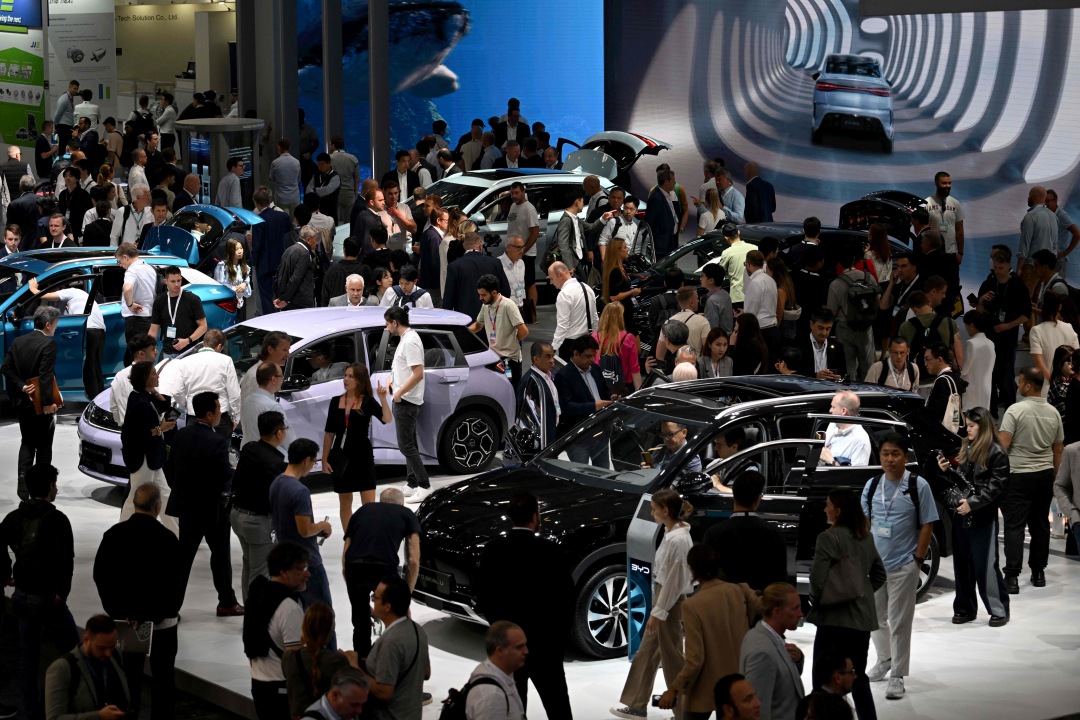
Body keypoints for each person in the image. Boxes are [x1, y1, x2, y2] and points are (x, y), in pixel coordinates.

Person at [475, 493, 574, 719]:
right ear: (535, 516)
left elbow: (484, 599)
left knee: (514, 711)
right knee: (558, 706)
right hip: (546, 645)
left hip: (508, 649)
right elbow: (568, 598)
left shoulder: (493, 549)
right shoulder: (550, 550)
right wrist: (559, 639)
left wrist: (501, 632)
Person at [859, 433, 938, 700]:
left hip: (905, 565)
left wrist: (917, 560)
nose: (889, 459)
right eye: (885, 454)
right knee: (875, 619)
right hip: (875, 568)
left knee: (900, 621)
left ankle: (897, 675)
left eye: (895, 454)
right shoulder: (871, 485)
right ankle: (885, 659)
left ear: (905, 457)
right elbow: (866, 525)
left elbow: (927, 524)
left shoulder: (918, 485)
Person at [93, 484, 182, 720]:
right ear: (158, 506)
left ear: (134, 503)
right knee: (163, 679)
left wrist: (120, 612)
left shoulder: (114, 535)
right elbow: (173, 584)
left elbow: (102, 577)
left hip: (128, 622)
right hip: (162, 623)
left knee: (128, 679)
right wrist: (155, 613)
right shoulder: (167, 539)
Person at [0, 464, 77, 720]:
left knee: (27, 656)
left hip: (21, 596)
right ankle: (68, 706)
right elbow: (66, 560)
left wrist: (7, 575)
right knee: (75, 652)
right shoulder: (57, 519)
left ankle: (32, 711)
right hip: (47, 598)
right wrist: (62, 592)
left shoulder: (13, 517)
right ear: (51, 487)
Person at [611, 489, 692, 720]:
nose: (652, 513)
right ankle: (637, 705)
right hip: (664, 602)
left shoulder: (678, 540)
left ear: (666, 511)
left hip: (669, 604)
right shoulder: (672, 533)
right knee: (646, 655)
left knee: (674, 659)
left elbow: (674, 583)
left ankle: (685, 712)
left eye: (654, 510)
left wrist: (658, 613)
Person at [655, 545, 761, 719]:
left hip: (704, 688)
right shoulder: (739, 591)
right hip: (738, 682)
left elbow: (695, 660)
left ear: (692, 569)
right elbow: (764, 604)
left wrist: (674, 689)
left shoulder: (692, 606)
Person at [808, 487, 886, 720]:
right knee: (858, 678)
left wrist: (818, 598)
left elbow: (817, 579)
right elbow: (880, 574)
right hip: (861, 622)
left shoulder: (828, 538)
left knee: (822, 680)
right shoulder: (866, 537)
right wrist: (859, 592)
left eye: (828, 505)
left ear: (838, 511)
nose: (825, 508)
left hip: (832, 620)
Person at [167, 391, 244, 615]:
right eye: (219, 410)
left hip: (187, 507)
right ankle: (227, 603)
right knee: (220, 557)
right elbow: (223, 475)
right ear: (210, 414)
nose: (221, 413)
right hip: (213, 509)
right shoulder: (217, 441)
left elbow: (171, 470)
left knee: (183, 559)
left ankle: (171, 608)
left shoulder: (180, 436)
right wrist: (232, 472)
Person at [935, 408, 1011, 627]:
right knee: (962, 564)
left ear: (983, 426)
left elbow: (996, 488)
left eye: (971, 425)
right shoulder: (967, 447)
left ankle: (999, 610)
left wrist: (973, 504)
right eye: (966, 425)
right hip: (962, 513)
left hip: (983, 517)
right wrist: (947, 471)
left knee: (985, 565)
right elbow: (964, 483)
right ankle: (965, 608)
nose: (966, 429)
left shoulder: (997, 452)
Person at [999, 366, 1064, 593]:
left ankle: (1012, 578)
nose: (1018, 386)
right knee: (1040, 525)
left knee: (1014, 526)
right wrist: (1056, 478)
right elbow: (1058, 450)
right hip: (1044, 475)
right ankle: (1038, 573)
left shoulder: (1014, 411)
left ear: (1028, 385)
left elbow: (1003, 446)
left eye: (1020, 382)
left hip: (1018, 475)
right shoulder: (1053, 412)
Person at [322, 362, 391, 530]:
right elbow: (329, 433)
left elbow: (387, 419)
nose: (346, 379)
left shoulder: (367, 402)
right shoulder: (335, 402)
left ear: (359, 380)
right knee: (345, 502)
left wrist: (383, 399)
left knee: (368, 504)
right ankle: (349, 537)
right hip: (340, 456)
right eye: (345, 375)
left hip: (362, 457)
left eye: (350, 376)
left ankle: (367, 536)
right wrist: (324, 459)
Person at [244, 542, 309, 720]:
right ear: (284, 571)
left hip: (259, 684)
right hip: (282, 692)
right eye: (302, 569)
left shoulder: (257, 594)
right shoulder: (289, 608)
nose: (307, 574)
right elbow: (295, 661)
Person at [1, 307, 59, 498]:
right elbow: (45, 377)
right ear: (48, 324)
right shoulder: (49, 344)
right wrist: (46, 404)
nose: (56, 329)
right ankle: (42, 489)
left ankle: (23, 479)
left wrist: (22, 387)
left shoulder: (18, 341)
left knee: (27, 442)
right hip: (40, 405)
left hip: (22, 402)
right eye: (56, 325)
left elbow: (5, 368)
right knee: (43, 446)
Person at [232, 411, 289, 603]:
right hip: (257, 522)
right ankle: (256, 618)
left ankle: (250, 611)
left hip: (237, 515)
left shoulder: (249, 448)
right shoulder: (276, 463)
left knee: (249, 564)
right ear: (279, 433)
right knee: (259, 572)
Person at [360, 575, 431, 720]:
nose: (372, 601)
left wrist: (354, 668)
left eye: (375, 597)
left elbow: (384, 692)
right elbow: (426, 672)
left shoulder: (391, 641)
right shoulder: (418, 630)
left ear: (387, 606)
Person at [703, 471, 788, 591]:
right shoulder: (774, 532)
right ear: (758, 498)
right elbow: (780, 578)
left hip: (727, 603)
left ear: (734, 495)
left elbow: (708, 578)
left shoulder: (714, 533)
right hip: (763, 603)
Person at [383, 306, 432, 504]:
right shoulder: (406, 339)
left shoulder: (411, 341)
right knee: (409, 443)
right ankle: (412, 484)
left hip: (407, 400)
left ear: (395, 322)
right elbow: (401, 367)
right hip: (403, 398)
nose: (386, 329)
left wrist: (399, 392)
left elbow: (418, 374)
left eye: (387, 324)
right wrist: (390, 380)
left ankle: (425, 486)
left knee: (406, 446)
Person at [737, 583, 806, 720]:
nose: (801, 614)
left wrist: (798, 660)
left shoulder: (766, 635)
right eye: (795, 608)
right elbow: (757, 711)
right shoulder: (762, 653)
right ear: (777, 612)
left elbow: (782, 681)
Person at [976, 245, 1031, 414]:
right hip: (990, 337)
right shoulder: (989, 283)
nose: (998, 271)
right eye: (996, 267)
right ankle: (991, 411)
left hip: (1008, 340)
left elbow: (1026, 315)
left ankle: (1010, 412)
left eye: (1001, 268)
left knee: (1006, 378)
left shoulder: (1017, 285)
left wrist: (1007, 325)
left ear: (1008, 266)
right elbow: (980, 311)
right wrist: (980, 302)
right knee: (989, 377)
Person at [44, 615, 132, 720]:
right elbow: (54, 718)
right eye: (102, 648)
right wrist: (98, 716)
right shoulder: (62, 669)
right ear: (86, 639)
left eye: (112, 646)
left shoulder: (116, 654)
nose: (108, 654)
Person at [281, 604, 355, 718]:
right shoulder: (338, 661)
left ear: (304, 627)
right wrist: (354, 663)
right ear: (329, 631)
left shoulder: (289, 658)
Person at [168, 328, 242, 439]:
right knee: (219, 454)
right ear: (219, 346)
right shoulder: (226, 361)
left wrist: (188, 406)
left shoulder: (184, 362)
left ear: (204, 343)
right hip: (219, 418)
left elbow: (176, 391)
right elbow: (235, 394)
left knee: (196, 454)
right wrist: (235, 418)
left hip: (195, 416)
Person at [828, 243, 879, 382]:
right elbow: (876, 301)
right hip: (865, 327)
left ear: (839, 261)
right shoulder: (869, 278)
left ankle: (849, 397)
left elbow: (832, 311)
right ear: (854, 259)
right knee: (867, 367)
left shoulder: (835, 284)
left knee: (848, 367)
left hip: (844, 328)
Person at [461, 622, 529, 720]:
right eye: (519, 647)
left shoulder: (502, 672)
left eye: (525, 645)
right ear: (500, 651)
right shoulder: (492, 696)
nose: (526, 651)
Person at [555, 334, 615, 439]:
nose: (592, 359)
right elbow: (567, 407)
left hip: (601, 428)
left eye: (594, 355)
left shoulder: (595, 369)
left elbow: (604, 391)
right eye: (588, 356)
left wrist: (611, 397)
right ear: (576, 354)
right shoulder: (563, 376)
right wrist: (594, 406)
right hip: (579, 434)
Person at [442, 232, 510, 317]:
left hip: (465, 319)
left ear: (464, 246)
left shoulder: (454, 266)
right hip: (492, 318)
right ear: (480, 246)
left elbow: (448, 299)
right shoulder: (495, 263)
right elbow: (506, 292)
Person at [148, 265, 207, 359]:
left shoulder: (192, 299)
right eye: (173, 281)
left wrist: (188, 340)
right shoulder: (160, 301)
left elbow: (203, 326)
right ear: (165, 281)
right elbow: (153, 329)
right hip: (168, 350)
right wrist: (150, 348)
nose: (176, 284)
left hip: (189, 350)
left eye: (178, 281)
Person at [549, 260, 599, 362]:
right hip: (589, 341)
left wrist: (553, 349)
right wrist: (595, 339)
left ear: (561, 275)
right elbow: (595, 318)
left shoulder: (564, 294)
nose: (551, 282)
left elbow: (563, 325)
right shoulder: (587, 288)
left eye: (551, 278)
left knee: (570, 376)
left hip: (571, 346)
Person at [115, 242, 157, 364]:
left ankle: (133, 383)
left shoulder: (132, 271)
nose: (120, 265)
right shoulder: (150, 268)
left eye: (119, 261)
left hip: (136, 321)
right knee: (145, 358)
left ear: (126, 257)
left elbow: (127, 288)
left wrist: (129, 305)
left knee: (134, 361)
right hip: (150, 320)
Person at [241, 331, 293, 428]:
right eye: (284, 350)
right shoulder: (255, 376)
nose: (288, 354)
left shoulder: (267, 373)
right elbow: (253, 416)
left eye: (288, 350)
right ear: (270, 349)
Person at [1030, 292, 1079, 392]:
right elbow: (1076, 358)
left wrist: (1054, 381)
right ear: (1060, 307)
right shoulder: (1069, 328)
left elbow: (1040, 363)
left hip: (1046, 387)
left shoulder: (1036, 330)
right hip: (1069, 386)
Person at [593, 301, 642, 393]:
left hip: (600, 385)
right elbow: (634, 368)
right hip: (623, 386)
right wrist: (640, 391)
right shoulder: (628, 338)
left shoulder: (595, 337)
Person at [820, 391, 872, 468]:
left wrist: (831, 461)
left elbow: (856, 476)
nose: (830, 410)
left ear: (843, 411)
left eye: (833, 407)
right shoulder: (833, 423)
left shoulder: (861, 441)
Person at [744, 250, 781, 357]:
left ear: (748, 264)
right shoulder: (771, 280)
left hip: (761, 333)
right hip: (774, 330)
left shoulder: (755, 283)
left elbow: (750, 316)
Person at [659, 285, 711, 361]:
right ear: (691, 302)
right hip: (694, 366)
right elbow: (708, 350)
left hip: (675, 367)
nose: (698, 301)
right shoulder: (702, 321)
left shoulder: (668, 322)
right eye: (697, 298)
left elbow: (659, 355)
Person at [1017, 186, 1059, 279]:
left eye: (1029, 195)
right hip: (1046, 269)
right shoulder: (1054, 216)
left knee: (1026, 293)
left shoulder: (1031, 216)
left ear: (1034, 196)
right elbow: (1055, 245)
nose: (1028, 198)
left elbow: (1025, 245)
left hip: (1031, 266)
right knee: (1039, 294)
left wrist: (1019, 268)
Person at [295, 668, 369, 720]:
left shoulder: (344, 713)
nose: (359, 711)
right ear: (335, 695)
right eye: (354, 705)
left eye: (362, 704)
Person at [274, 225, 318, 310]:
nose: (317, 242)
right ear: (308, 239)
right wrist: (285, 298)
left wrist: (282, 296)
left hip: (290, 300)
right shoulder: (304, 253)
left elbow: (280, 274)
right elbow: (296, 279)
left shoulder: (289, 249)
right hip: (301, 302)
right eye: (315, 239)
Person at [960, 310, 995, 412]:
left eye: (966, 325)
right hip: (986, 388)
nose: (966, 329)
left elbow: (964, 371)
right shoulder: (990, 343)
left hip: (971, 390)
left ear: (972, 325)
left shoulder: (970, 343)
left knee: (970, 421)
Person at [214, 237, 253, 316]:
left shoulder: (245, 267)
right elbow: (220, 286)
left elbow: (247, 292)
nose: (240, 251)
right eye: (236, 249)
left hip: (241, 302)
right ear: (230, 251)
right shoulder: (222, 266)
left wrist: (245, 284)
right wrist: (233, 294)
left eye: (241, 248)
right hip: (228, 303)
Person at [646, 169, 680, 259]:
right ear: (666, 181)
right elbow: (649, 222)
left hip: (670, 241)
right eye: (673, 180)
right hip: (661, 246)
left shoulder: (667, 194)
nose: (675, 183)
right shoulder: (656, 198)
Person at [717, 224, 753, 307]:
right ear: (739, 232)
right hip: (755, 295)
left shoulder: (727, 253)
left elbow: (719, 272)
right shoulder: (754, 248)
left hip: (738, 297)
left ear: (726, 237)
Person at [270, 139, 303, 220]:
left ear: (279, 147)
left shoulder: (275, 163)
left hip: (282, 197)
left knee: (283, 222)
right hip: (295, 197)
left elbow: (271, 178)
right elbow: (298, 179)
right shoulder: (296, 162)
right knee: (294, 223)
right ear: (289, 148)